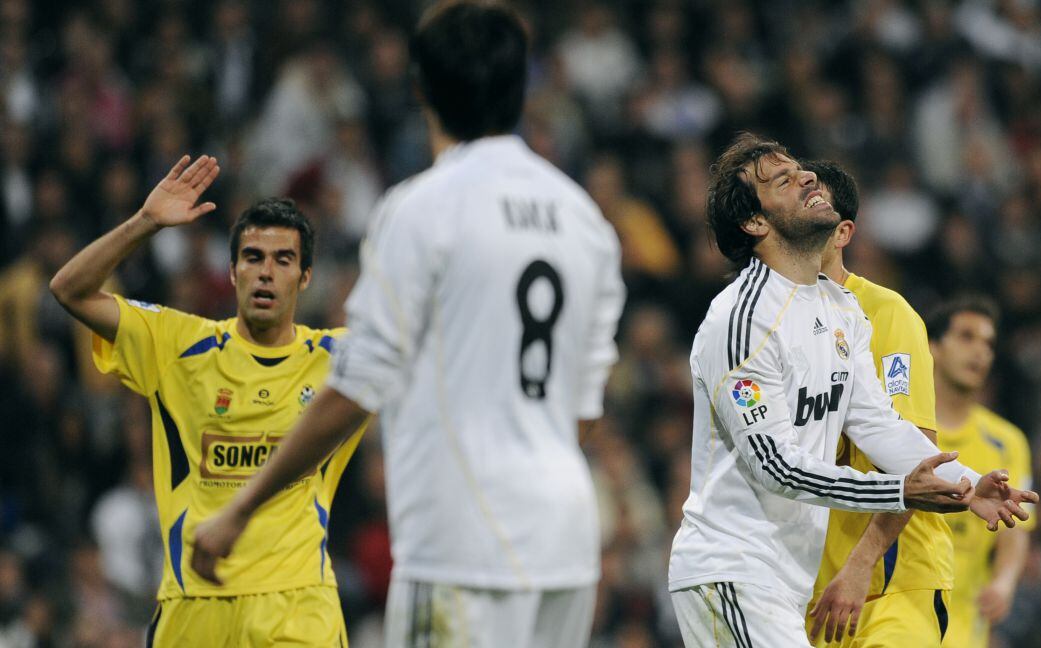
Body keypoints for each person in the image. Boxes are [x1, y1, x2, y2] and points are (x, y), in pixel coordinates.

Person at [191, 3, 626, 647]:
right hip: (565, 541)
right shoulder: (586, 220)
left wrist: (240, 508)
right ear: (521, 87)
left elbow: (358, 386)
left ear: (421, 87)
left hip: (462, 544)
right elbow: (585, 413)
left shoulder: (422, 208)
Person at [666, 132, 1037, 648]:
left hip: (787, 581)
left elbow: (879, 424)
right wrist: (898, 491)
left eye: (801, 171)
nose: (808, 178)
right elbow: (774, 464)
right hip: (732, 569)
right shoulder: (741, 319)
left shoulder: (840, 312)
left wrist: (967, 487)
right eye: (783, 180)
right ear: (755, 223)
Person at [48, 155, 365, 646]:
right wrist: (145, 222)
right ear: (233, 269)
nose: (266, 273)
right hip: (194, 606)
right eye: (253, 258)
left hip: (298, 605)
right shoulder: (179, 345)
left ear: (304, 278)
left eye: (283, 261)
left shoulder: (338, 358)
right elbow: (69, 289)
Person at [805, 160, 955, 646]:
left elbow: (917, 459)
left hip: (890, 584)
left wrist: (862, 562)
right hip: (814, 590)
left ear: (843, 232)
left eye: (816, 202)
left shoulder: (886, 314)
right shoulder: (771, 322)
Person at [928, 296, 1035, 648]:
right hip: (891, 608)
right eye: (966, 336)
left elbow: (1017, 528)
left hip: (964, 624)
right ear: (933, 348)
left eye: (988, 343)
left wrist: (1004, 582)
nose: (980, 352)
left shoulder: (1007, 442)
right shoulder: (902, 430)